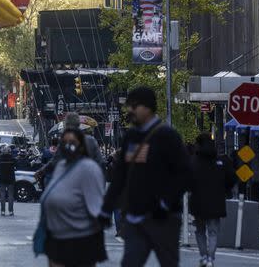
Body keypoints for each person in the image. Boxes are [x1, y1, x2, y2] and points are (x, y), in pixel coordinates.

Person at [99, 86, 190, 267]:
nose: (129, 111)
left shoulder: (167, 136)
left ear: (147, 108)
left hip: (164, 219)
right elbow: (120, 177)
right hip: (135, 218)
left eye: (134, 106)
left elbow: (184, 174)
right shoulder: (130, 137)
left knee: (168, 262)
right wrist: (105, 210)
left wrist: (165, 204)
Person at [40, 127, 107, 266]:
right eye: (65, 142)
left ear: (81, 146)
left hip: (79, 238)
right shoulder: (61, 166)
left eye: (73, 142)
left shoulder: (89, 168)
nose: (69, 145)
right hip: (57, 235)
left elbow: (96, 206)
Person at [189, 133, 237, 267]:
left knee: (200, 230)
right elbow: (232, 179)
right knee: (213, 231)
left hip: (198, 201)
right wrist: (224, 189)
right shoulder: (221, 161)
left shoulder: (194, 161)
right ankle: (210, 258)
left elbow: (186, 179)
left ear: (198, 144)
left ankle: (204, 256)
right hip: (217, 201)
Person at [0, 146, 16, 216]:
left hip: (2, 178)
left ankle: (2, 211)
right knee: (10, 195)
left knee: (2, 195)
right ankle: (11, 211)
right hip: (10, 178)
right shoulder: (12, 159)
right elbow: (16, 165)